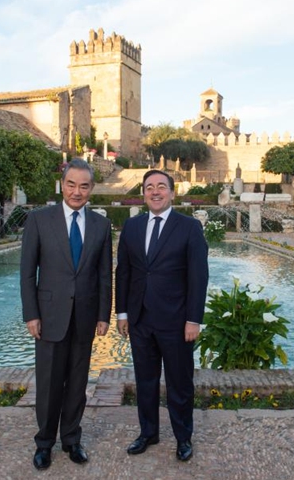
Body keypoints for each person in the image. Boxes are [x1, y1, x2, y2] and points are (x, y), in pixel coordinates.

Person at [19, 159, 112, 470]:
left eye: (84, 186)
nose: (77, 191)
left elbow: (103, 275)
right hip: (48, 317)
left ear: (91, 189)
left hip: (85, 318)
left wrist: (104, 315)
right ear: (62, 184)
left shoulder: (101, 225)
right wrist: (31, 315)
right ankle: (44, 443)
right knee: (48, 384)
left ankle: (71, 439)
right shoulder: (39, 220)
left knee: (77, 383)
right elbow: (26, 273)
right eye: (71, 184)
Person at [115, 169, 209, 462]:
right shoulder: (131, 227)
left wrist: (194, 319)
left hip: (177, 322)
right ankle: (148, 433)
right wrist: (122, 313)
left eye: (161, 187)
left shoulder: (189, 228)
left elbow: (198, 277)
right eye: (149, 187)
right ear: (143, 193)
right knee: (145, 381)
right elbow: (125, 272)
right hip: (141, 320)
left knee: (180, 383)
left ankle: (183, 438)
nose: (155, 192)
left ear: (172, 192)